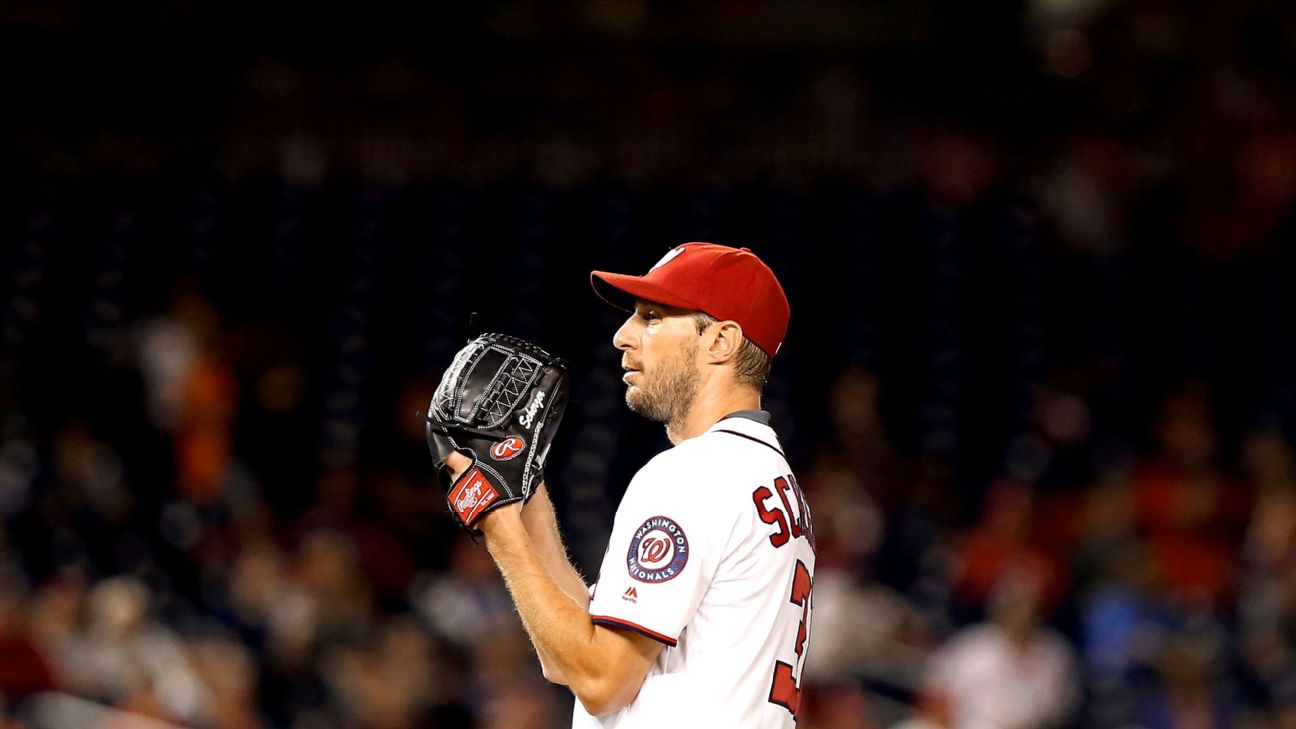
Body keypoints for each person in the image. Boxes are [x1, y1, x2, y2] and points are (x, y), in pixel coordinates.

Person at [441, 242, 814, 727]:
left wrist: (500, 530)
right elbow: (569, 660)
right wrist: (527, 498)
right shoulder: (767, 476)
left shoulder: (696, 472)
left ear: (720, 341)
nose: (622, 336)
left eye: (653, 317)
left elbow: (603, 682)